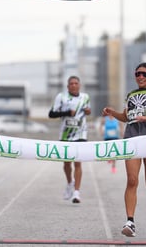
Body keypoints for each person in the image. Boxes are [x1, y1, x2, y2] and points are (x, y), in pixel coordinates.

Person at [102, 62, 146, 237]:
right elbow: (127, 118)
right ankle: (130, 221)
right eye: (137, 74)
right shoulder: (130, 95)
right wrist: (113, 112)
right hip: (132, 139)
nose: (140, 77)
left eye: (143, 74)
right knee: (132, 180)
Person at [48, 75, 91, 204]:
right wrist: (66, 112)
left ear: (79, 85)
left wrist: (88, 111)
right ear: (67, 86)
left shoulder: (85, 97)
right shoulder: (61, 97)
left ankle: (77, 192)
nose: (73, 85)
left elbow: (87, 111)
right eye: (71, 84)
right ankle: (69, 183)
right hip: (66, 134)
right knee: (67, 163)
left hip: (81, 133)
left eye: (76, 83)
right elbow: (51, 114)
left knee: (78, 162)